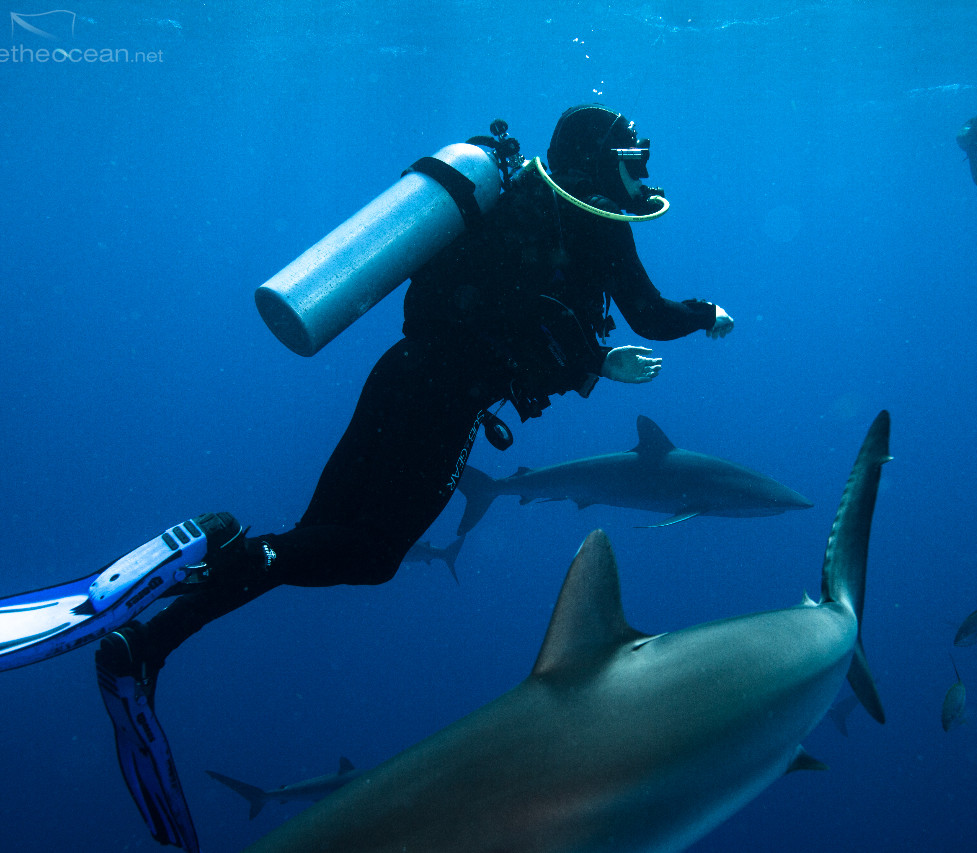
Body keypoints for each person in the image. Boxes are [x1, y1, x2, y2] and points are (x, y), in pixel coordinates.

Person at [95, 103, 735, 849]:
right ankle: (222, 544)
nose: (643, 174)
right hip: (449, 403)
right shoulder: (592, 219)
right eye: (633, 158)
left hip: (397, 375)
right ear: (598, 161)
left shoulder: (507, 194)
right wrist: (700, 317)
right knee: (369, 557)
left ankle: (150, 643)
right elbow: (636, 313)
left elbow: (478, 294)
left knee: (312, 540)